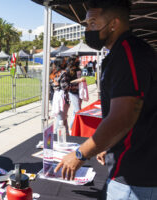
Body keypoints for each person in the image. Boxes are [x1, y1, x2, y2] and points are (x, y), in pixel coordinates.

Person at [54, 0, 157, 199]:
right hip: (135, 167)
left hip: (135, 175)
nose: (87, 29)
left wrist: (79, 154)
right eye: (86, 24)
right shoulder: (124, 51)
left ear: (114, 24)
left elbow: (123, 117)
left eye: (93, 23)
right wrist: (108, 145)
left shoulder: (128, 54)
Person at [66, 55, 86, 129]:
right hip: (73, 92)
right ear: (73, 61)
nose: (78, 61)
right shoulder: (68, 70)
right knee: (78, 110)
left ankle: (73, 126)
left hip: (80, 91)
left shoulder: (78, 68)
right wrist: (79, 80)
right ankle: (73, 127)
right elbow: (68, 82)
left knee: (76, 110)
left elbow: (79, 77)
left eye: (78, 60)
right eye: (77, 60)